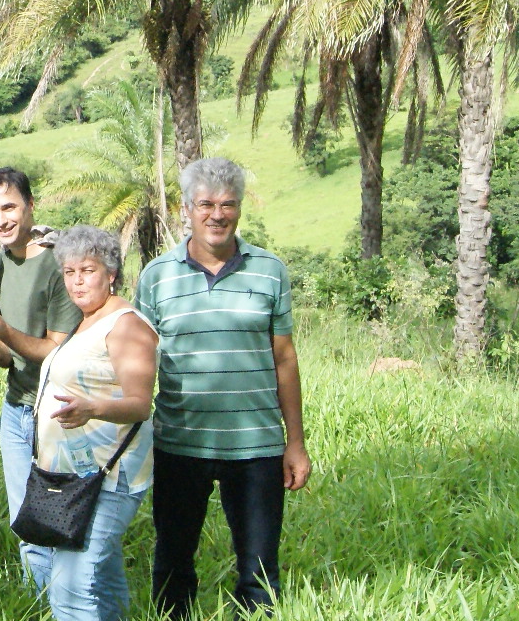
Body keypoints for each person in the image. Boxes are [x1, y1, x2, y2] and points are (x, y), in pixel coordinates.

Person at [134, 157, 310, 618]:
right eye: (206, 204)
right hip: (179, 443)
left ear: (239, 209)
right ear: (187, 209)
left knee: (259, 572)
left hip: (256, 446)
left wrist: (295, 443)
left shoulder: (269, 270)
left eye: (227, 204)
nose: (217, 214)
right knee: (172, 565)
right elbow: (137, 361)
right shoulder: (156, 276)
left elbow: (285, 359)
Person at [30, 226, 156, 621]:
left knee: (71, 588)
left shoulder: (125, 325)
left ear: (111, 273)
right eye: (69, 272)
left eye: (88, 270)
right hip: (74, 475)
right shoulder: (86, 320)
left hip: (108, 475)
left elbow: (140, 404)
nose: (77, 281)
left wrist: (92, 408)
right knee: (102, 581)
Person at [0, 166, 81, 589]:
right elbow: (12, 356)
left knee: (63, 523)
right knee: (26, 522)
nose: (1, 220)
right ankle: (40, 602)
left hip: (59, 414)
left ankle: (69, 604)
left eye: (9, 207)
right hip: (16, 410)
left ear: (31, 206)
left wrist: (4, 332)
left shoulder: (59, 265)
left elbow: (55, 351)